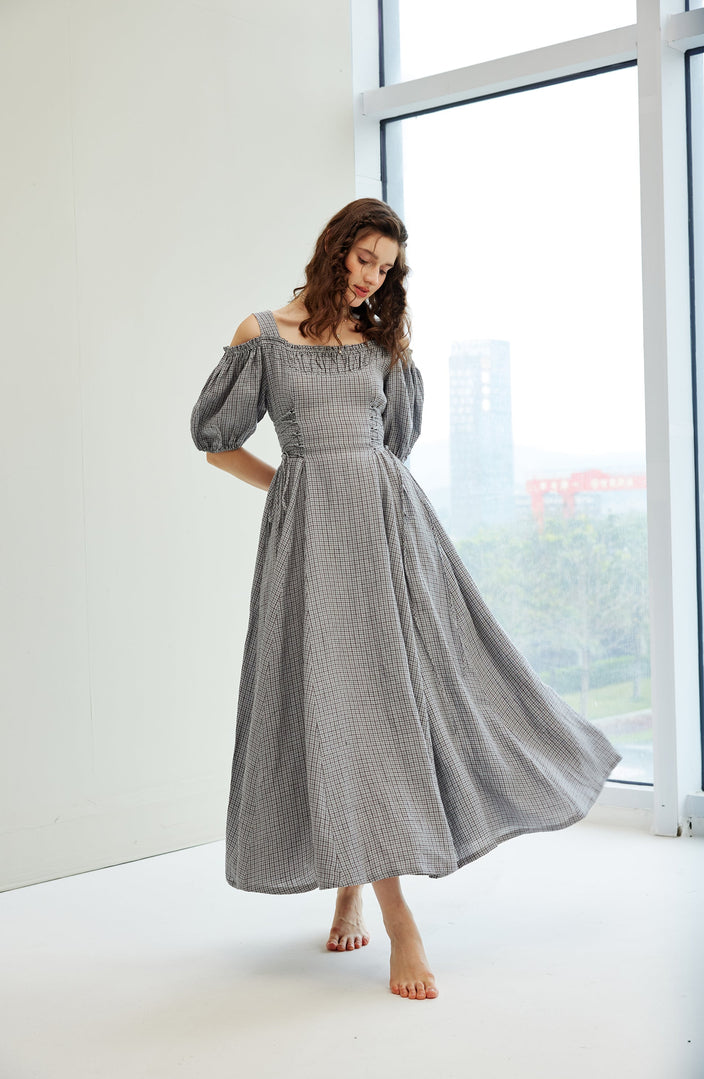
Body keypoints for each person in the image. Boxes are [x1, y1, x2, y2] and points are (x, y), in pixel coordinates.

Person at [190, 197, 622, 1002]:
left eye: (385, 268)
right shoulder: (264, 335)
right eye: (364, 260)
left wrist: (350, 473)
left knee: (396, 703)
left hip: (390, 535)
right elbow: (216, 442)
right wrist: (287, 484)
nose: (371, 278)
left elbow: (392, 447)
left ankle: (375, 898)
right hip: (311, 546)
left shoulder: (381, 343)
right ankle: (385, 906)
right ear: (334, 249)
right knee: (338, 707)